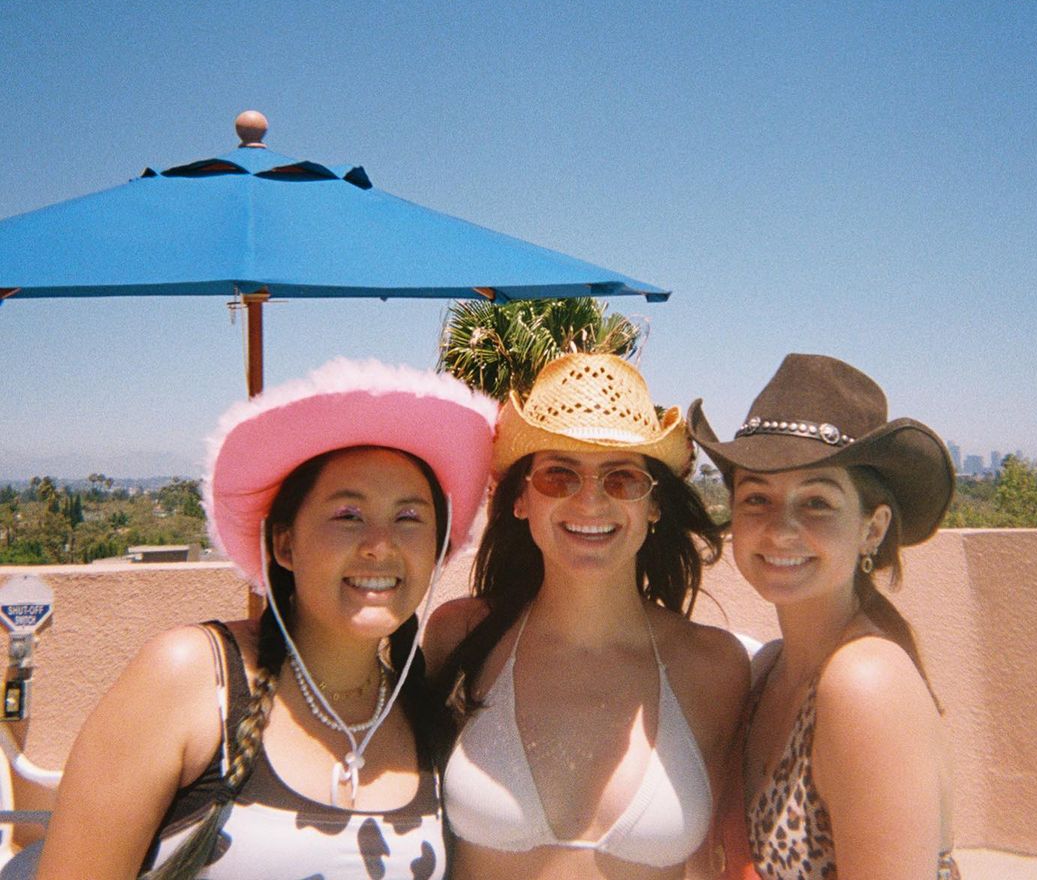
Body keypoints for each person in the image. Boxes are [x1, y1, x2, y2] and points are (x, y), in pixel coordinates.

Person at [38, 357, 496, 880]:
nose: (380, 545)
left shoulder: (426, 723)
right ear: (284, 544)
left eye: (409, 517)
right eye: (348, 516)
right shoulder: (192, 680)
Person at [426, 352, 750, 880]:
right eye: (559, 475)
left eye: (621, 478)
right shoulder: (460, 636)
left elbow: (717, 864)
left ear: (654, 505)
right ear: (520, 499)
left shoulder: (715, 666)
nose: (590, 501)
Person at [688, 353, 960, 880]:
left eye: (816, 502)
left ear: (872, 529)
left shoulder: (865, 683)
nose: (780, 529)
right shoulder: (768, 670)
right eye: (756, 498)